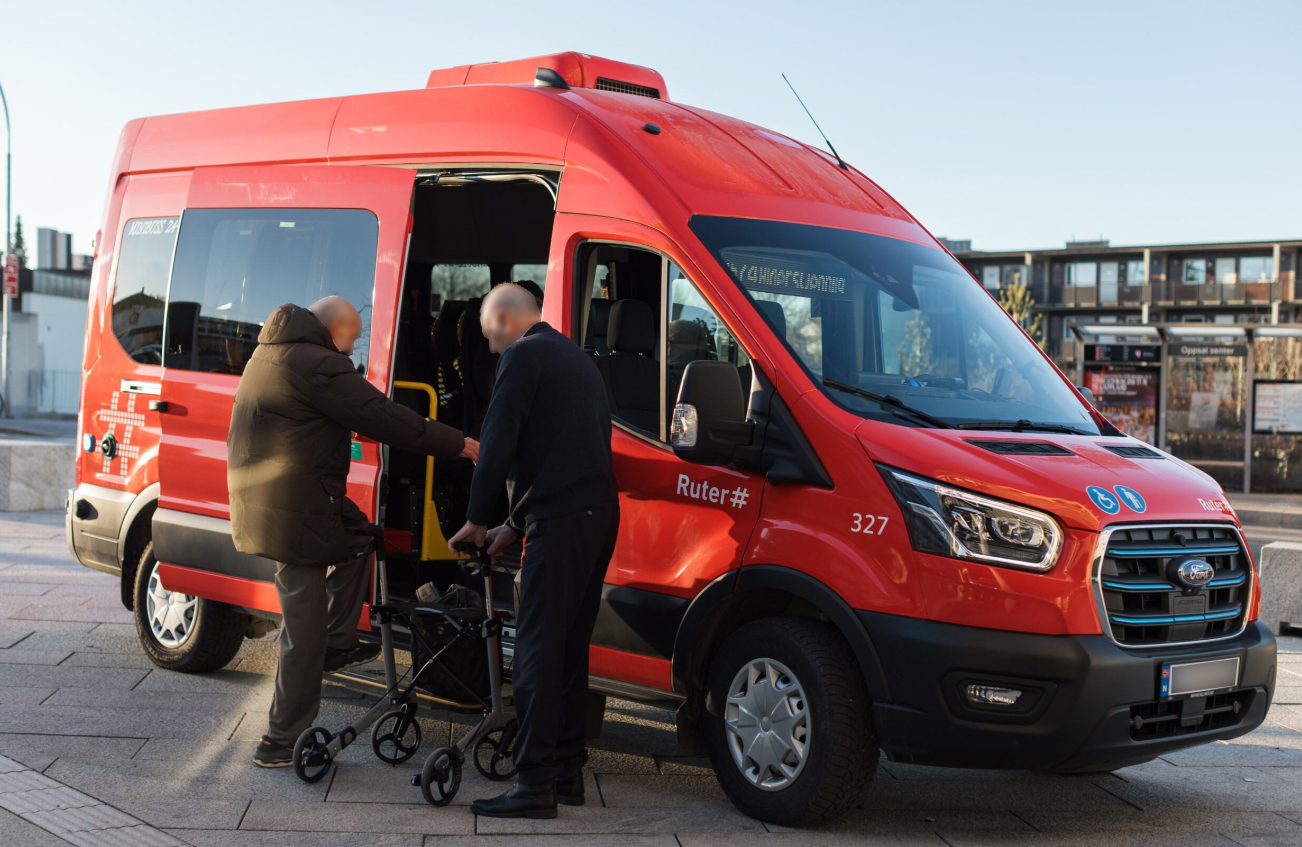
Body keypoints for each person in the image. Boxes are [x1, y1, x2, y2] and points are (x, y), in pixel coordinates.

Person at [227, 296, 478, 768]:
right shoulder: (319, 363)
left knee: (361, 537)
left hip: (277, 498)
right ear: (333, 327)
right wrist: (458, 444)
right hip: (294, 507)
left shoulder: (273, 350)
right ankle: (281, 738)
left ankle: (338, 641)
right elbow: (381, 415)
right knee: (302, 630)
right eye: (352, 336)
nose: (353, 346)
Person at [448, 283, 618, 819]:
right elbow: (563, 454)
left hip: (562, 522)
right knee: (569, 646)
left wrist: (478, 518)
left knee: (537, 651)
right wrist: (515, 525)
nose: (491, 350)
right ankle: (566, 771)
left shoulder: (522, 357)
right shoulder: (576, 359)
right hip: (595, 516)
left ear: (504, 318)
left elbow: (497, 443)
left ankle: (534, 785)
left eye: (488, 338)